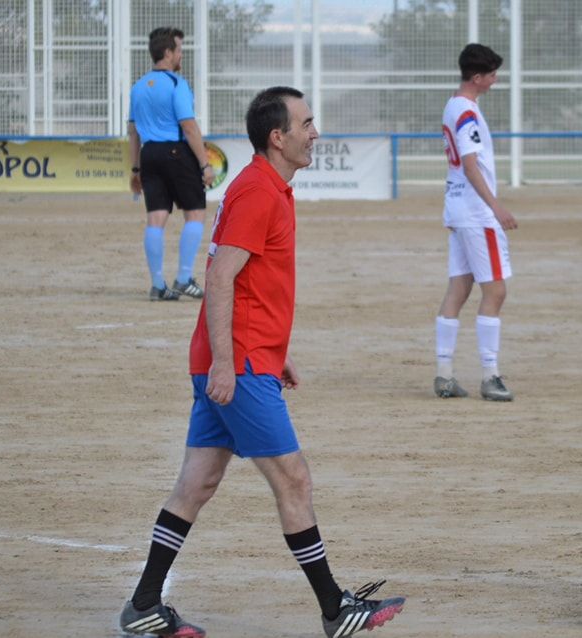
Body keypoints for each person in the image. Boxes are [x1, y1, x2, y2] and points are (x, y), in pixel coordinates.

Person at [118, 87, 405, 638]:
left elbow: (248, 285)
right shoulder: (257, 192)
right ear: (278, 137)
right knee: (294, 481)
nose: (315, 132)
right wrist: (231, 364)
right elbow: (221, 276)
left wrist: (277, 351)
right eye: (307, 123)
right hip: (237, 365)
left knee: (196, 485)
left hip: (242, 357)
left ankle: (144, 604)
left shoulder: (265, 186)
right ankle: (334, 608)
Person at [434, 43, 517, 402]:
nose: (496, 80)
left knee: (459, 289)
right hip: (475, 212)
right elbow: (470, 164)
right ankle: (490, 374)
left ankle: (444, 373)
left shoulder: (454, 105)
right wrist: (496, 207)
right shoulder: (466, 112)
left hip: (457, 208)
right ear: (478, 77)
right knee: (495, 291)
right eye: (493, 74)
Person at [128, 27, 215, 301]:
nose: (181, 55)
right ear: (167, 53)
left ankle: (157, 285)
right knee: (195, 213)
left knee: (155, 218)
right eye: (178, 51)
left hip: (149, 154)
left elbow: (133, 132)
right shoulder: (177, 84)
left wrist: (135, 169)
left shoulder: (138, 87)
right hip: (176, 152)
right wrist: (204, 165)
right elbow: (189, 127)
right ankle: (184, 278)